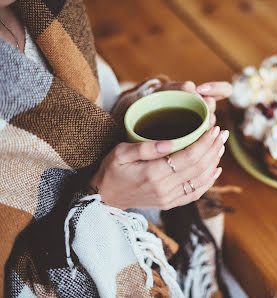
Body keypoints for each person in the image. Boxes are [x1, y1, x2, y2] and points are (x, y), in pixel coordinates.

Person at [0, 0, 239, 297]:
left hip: (174, 252)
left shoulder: (45, 7)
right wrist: (105, 203)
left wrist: (149, 106)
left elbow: (90, 115)